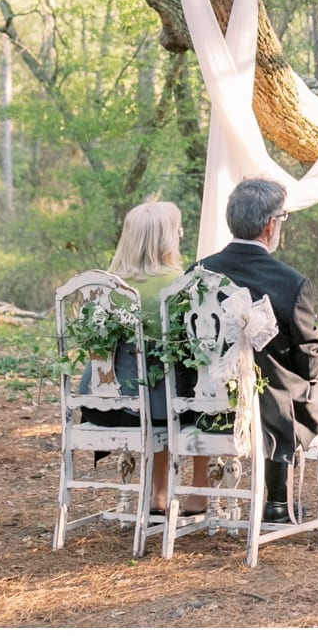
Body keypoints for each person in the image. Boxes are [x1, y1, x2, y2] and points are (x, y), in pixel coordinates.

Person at [197, 178, 318, 539]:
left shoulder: (199, 275)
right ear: (270, 225)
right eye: (282, 218)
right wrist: (315, 345)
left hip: (212, 404)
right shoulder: (290, 282)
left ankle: (278, 504)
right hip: (276, 410)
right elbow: (309, 369)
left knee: (284, 379)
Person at [78, 200, 208, 514]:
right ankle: (199, 491)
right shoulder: (181, 286)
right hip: (154, 408)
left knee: (157, 385)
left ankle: (158, 494)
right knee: (204, 388)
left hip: (102, 405)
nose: (181, 233)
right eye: (177, 229)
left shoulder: (104, 285)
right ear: (165, 239)